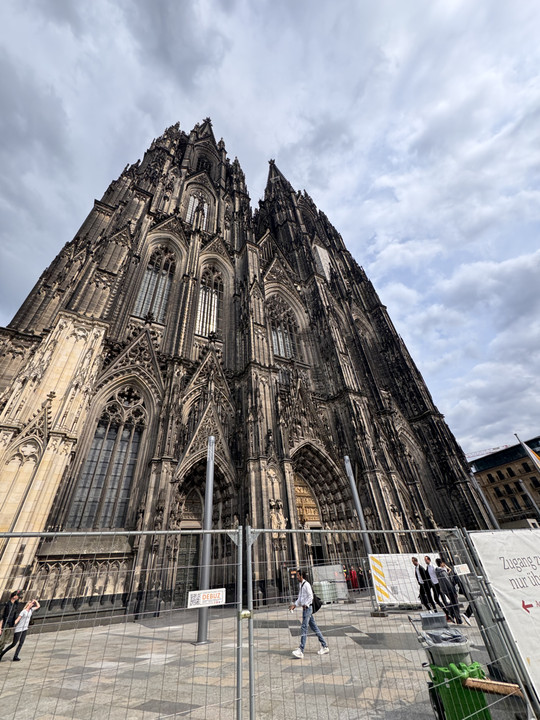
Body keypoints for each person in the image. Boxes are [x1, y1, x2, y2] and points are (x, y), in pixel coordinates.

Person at [289, 569, 329, 659]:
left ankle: (301, 650)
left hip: (307, 608)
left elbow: (310, 596)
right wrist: (294, 605)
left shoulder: (306, 584)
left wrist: (306, 605)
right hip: (306, 608)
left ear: (301, 576)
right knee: (314, 627)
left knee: (304, 627)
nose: (297, 577)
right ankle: (325, 646)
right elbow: (300, 598)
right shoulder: (301, 585)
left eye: (298, 575)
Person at [435, 559, 462, 624]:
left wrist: (448, 570)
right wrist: (453, 590)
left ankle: (450, 615)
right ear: (441, 563)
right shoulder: (442, 572)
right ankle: (458, 620)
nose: (445, 564)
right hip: (450, 590)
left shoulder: (438, 571)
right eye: (444, 563)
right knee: (455, 604)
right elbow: (448, 582)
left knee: (453, 603)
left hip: (445, 590)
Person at [0, 590, 22, 657]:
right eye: (17, 596)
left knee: (5, 640)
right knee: (1, 640)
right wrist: (0, 627)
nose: (18, 597)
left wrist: (13, 624)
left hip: (10, 624)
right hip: (4, 624)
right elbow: (1, 616)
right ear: (14, 596)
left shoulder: (15, 604)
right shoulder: (7, 604)